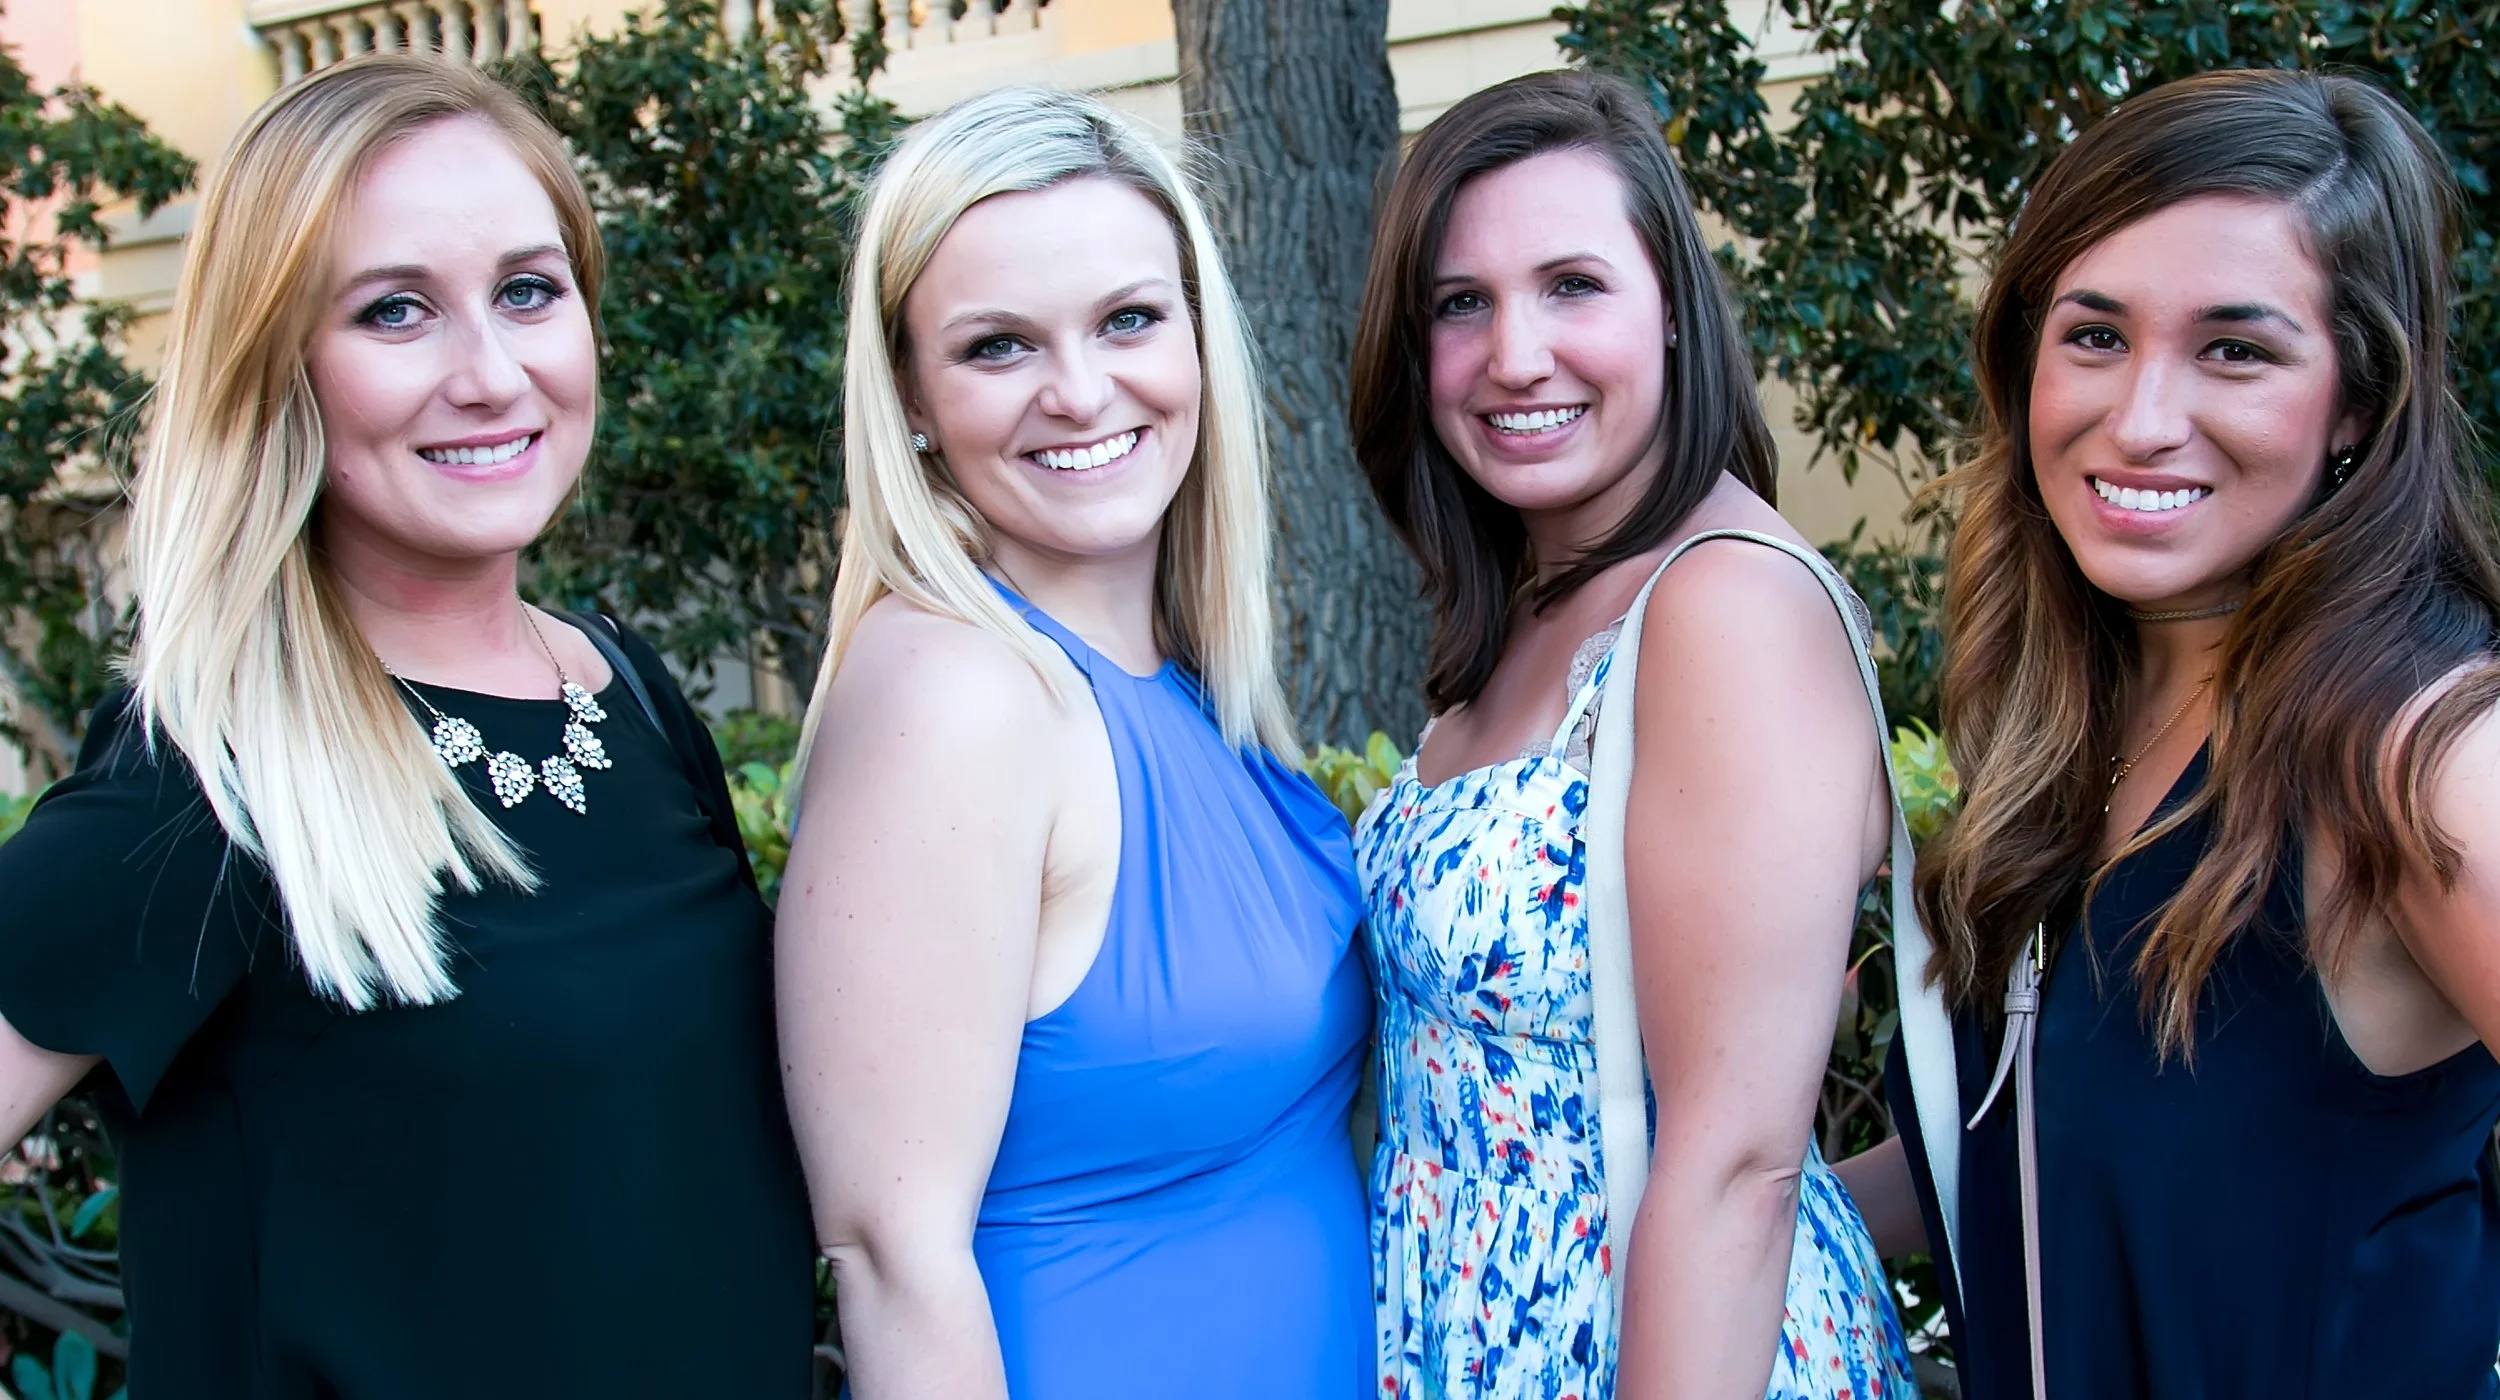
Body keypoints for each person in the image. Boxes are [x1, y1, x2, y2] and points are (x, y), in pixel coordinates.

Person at [0, 55, 816, 1395]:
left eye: (527, 292)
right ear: (278, 368)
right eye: (395, 312)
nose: (492, 373)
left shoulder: (630, 695)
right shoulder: (209, 774)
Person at [1849, 67, 2500, 1399]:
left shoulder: (2421, 749)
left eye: (2236, 349)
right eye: (2095, 335)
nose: (2142, 420)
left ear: (2359, 403)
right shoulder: (2075, 724)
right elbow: (2051, 1154)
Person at [776, 86, 1370, 1400]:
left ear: (1200, 341)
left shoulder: (1187, 684)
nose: (1082, 389)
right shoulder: (958, 695)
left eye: (1129, 319)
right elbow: (891, 1254)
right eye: (998, 346)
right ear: (913, 400)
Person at [1349, 69, 1914, 1400]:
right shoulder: (1536, 604)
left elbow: (1735, 1161)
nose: (1514, 355)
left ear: (1672, 312)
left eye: (1572, 286)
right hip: (1478, 1330)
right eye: (1459, 305)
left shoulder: (1725, 607)